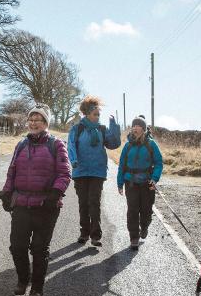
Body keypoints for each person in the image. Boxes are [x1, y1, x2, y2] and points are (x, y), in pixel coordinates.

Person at [0, 103, 71, 296]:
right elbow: (12, 171)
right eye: (31, 119)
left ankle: (37, 288)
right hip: (21, 203)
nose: (33, 123)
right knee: (17, 246)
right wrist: (7, 193)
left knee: (39, 248)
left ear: (46, 123)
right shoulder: (21, 145)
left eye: (37, 120)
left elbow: (65, 173)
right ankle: (23, 279)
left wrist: (54, 195)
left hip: (46, 205)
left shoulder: (56, 144)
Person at [67, 95, 121, 247]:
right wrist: (74, 160)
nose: (97, 117)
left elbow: (114, 144)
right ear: (87, 114)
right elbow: (70, 146)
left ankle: (95, 236)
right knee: (83, 203)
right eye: (95, 114)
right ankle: (84, 233)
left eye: (99, 114)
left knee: (94, 203)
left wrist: (113, 126)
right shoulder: (77, 129)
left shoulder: (102, 129)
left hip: (97, 171)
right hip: (80, 171)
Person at [117, 115, 163, 250]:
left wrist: (154, 178)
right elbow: (121, 165)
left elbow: (159, 163)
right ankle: (134, 238)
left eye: (138, 126)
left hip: (147, 184)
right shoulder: (127, 146)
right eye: (133, 126)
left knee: (146, 211)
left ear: (143, 129)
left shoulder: (151, 144)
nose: (135, 128)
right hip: (130, 183)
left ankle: (145, 226)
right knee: (132, 211)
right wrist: (120, 183)